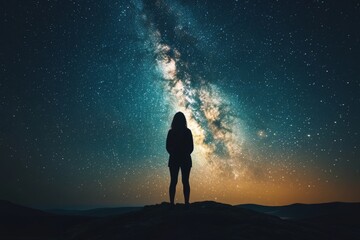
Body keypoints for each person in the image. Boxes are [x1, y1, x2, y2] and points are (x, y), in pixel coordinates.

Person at [166, 112, 194, 207]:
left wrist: (178, 153)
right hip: (179, 159)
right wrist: (179, 153)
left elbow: (190, 147)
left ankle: (175, 203)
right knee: (179, 181)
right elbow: (168, 147)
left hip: (179, 159)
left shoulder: (185, 132)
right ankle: (180, 203)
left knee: (179, 181)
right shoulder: (183, 132)